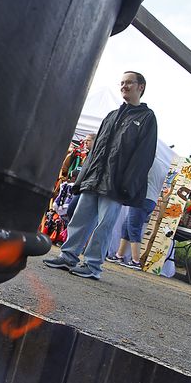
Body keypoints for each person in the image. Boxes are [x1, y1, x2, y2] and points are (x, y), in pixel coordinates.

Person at [43, 71, 157, 279]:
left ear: (141, 87)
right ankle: (68, 256)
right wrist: (82, 179)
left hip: (116, 183)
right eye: (122, 82)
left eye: (129, 83)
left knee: (104, 225)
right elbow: (95, 151)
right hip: (94, 178)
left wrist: (128, 185)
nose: (124, 86)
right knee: (80, 218)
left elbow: (143, 156)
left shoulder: (147, 118)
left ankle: (93, 266)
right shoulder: (112, 115)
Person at [107, 140, 173, 269]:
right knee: (127, 226)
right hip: (151, 200)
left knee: (133, 228)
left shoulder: (147, 163)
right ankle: (119, 255)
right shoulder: (160, 165)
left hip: (142, 199)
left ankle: (136, 260)